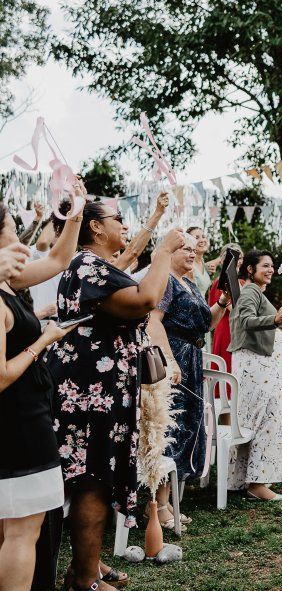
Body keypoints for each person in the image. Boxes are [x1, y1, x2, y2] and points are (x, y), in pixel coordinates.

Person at [48, 199, 184, 591]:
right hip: (89, 394)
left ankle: (84, 564)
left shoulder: (98, 267)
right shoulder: (87, 266)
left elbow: (130, 265)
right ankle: (86, 578)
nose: (125, 225)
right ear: (94, 227)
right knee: (92, 479)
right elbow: (144, 299)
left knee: (97, 478)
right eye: (118, 220)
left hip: (101, 390)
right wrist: (162, 253)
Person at [0, 199, 82, 591]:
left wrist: (76, 214)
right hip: (17, 423)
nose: (21, 236)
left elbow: (58, 260)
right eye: (14, 228)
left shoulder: (8, 282)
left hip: (24, 414)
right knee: (20, 532)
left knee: (12, 529)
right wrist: (43, 340)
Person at [145, 232, 229, 530]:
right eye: (185, 249)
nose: (192, 254)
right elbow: (153, 320)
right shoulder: (165, 280)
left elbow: (207, 324)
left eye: (194, 250)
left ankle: (171, 500)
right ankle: (159, 505)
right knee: (170, 426)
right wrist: (168, 360)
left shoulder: (190, 282)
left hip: (193, 354)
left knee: (186, 425)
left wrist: (221, 302)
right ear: (170, 251)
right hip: (175, 355)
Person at [227, 250, 282, 501]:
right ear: (250, 269)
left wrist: (277, 321)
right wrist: (274, 318)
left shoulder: (254, 291)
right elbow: (245, 321)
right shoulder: (250, 291)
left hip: (259, 369)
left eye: (272, 265)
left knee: (255, 420)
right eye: (265, 266)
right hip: (257, 369)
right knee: (266, 419)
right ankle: (258, 484)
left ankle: (246, 480)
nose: (271, 269)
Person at [208, 243, 242, 375]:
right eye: (234, 257)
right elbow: (231, 308)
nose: (238, 261)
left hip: (235, 327)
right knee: (227, 367)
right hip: (226, 328)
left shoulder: (241, 281)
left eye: (240, 258)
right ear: (222, 260)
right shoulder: (219, 283)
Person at [28, 220, 61, 322]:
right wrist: (57, 215)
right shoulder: (37, 254)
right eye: (56, 232)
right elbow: (43, 242)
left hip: (66, 322)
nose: (60, 235)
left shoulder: (66, 258)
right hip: (45, 320)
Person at [186, 227, 212, 296]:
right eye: (197, 238)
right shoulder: (188, 264)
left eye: (203, 237)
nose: (202, 240)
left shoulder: (202, 261)